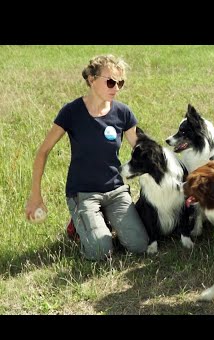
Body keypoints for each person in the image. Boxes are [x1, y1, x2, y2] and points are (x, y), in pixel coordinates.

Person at [25, 54, 149, 261]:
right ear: (92, 79)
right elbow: (43, 151)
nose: (116, 88)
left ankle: (102, 223)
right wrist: (35, 196)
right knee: (101, 251)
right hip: (83, 193)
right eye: (110, 81)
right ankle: (78, 226)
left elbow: (142, 150)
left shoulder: (123, 113)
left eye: (120, 83)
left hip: (116, 190)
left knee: (139, 245)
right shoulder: (72, 112)